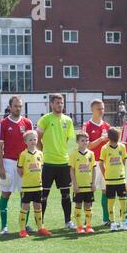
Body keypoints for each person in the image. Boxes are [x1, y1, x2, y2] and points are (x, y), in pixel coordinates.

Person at [37, 93, 76, 229]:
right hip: (47, 163)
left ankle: (68, 221)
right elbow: (38, 139)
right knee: (43, 195)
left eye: (62, 102)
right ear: (51, 104)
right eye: (57, 103)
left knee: (65, 194)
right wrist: (42, 154)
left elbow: (66, 139)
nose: (60, 105)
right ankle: (40, 223)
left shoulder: (68, 120)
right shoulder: (45, 119)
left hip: (64, 163)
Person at [0, 96, 34, 235]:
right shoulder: (3, 123)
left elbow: (32, 144)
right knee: (5, 194)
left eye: (20, 106)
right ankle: (4, 226)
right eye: (16, 106)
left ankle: (25, 225)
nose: (18, 108)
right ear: (10, 107)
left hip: (25, 163)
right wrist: (1, 167)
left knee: (25, 195)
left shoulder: (28, 123)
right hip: (8, 163)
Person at [17, 131, 52, 238]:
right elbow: (19, 169)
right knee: (25, 207)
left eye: (35, 139)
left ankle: (40, 228)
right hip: (27, 186)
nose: (33, 141)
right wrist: (26, 177)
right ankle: (22, 230)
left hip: (38, 186)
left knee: (38, 206)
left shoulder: (40, 154)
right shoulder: (23, 154)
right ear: (25, 142)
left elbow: (41, 168)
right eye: (30, 140)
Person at [82, 99, 110, 225]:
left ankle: (106, 219)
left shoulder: (107, 126)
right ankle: (87, 220)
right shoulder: (87, 125)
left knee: (105, 190)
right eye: (99, 109)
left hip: (105, 163)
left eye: (103, 108)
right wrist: (101, 139)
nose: (101, 111)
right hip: (91, 164)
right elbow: (86, 146)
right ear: (92, 110)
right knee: (89, 191)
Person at [99, 127, 127, 231]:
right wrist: (105, 175)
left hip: (121, 179)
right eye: (117, 135)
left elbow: (124, 160)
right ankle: (112, 223)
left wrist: (121, 171)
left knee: (123, 201)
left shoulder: (122, 147)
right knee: (111, 202)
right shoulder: (105, 148)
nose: (118, 137)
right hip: (110, 180)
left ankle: (123, 222)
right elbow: (100, 163)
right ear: (110, 137)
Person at [70, 132, 97, 234]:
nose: (85, 142)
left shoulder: (91, 154)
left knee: (88, 206)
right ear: (77, 142)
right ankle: (79, 226)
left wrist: (93, 183)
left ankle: (88, 226)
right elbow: (72, 170)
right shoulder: (73, 154)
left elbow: (94, 169)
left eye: (86, 140)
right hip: (79, 186)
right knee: (78, 205)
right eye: (82, 140)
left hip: (88, 185)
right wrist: (75, 184)